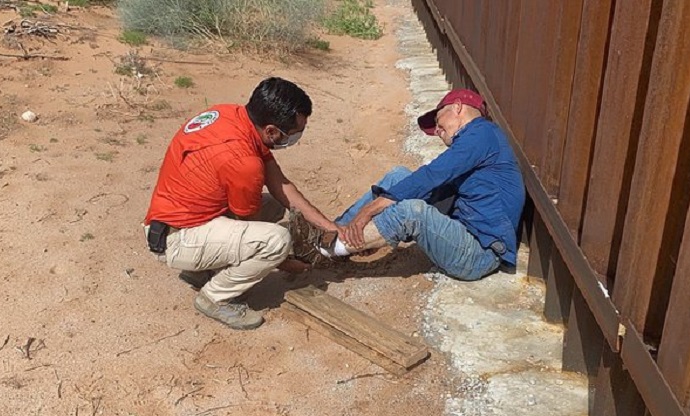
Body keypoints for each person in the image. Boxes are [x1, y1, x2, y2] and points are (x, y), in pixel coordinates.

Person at [144, 77, 336, 330]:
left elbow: (279, 184)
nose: (296, 137)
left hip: (172, 222)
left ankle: (200, 271)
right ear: (271, 131)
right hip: (176, 240)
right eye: (293, 133)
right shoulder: (243, 162)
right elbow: (249, 222)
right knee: (275, 241)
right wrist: (286, 262)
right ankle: (215, 298)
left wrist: (328, 225)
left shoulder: (229, 115)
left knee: (274, 205)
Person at [291, 88, 525, 281]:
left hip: (479, 253)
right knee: (399, 176)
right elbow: (431, 185)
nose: (438, 132)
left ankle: (325, 250)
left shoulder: (482, 133)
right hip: (459, 234)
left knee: (412, 211)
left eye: (438, 121)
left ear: (458, 107)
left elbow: (433, 175)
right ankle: (332, 232)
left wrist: (369, 212)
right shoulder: (479, 140)